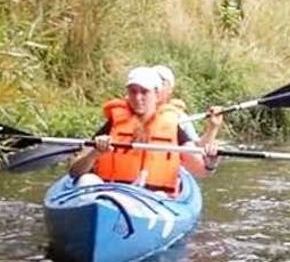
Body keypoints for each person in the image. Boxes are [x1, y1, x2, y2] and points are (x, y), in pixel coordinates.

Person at [68, 66, 222, 195]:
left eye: (144, 92)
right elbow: (74, 171)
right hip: (112, 194)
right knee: (86, 181)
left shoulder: (172, 127)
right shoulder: (113, 124)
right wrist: (95, 153)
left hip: (151, 198)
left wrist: (210, 163)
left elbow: (200, 170)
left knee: (160, 195)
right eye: (133, 91)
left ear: (156, 94)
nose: (138, 97)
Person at [154, 64, 199, 141]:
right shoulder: (135, 111)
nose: (156, 87)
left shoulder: (180, 117)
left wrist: (212, 128)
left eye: (162, 83)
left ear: (170, 89)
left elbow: (196, 147)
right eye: (153, 82)